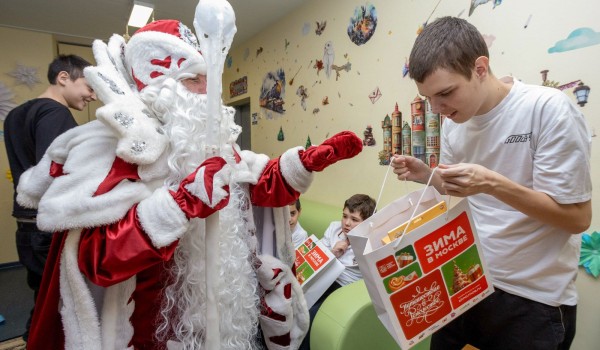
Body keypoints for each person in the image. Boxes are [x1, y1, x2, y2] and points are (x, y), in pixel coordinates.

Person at [16, 19, 362, 350]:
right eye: (196, 79)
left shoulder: (218, 148)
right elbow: (98, 259)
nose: (210, 93)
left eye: (211, 79)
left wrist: (302, 163)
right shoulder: (113, 153)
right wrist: (180, 204)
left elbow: (255, 186)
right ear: (162, 86)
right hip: (150, 330)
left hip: (227, 320)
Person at [391, 16, 592, 350]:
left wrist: (492, 183)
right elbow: (466, 187)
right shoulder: (455, 124)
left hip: (532, 301)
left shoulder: (546, 109)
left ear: (481, 68)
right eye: (428, 99)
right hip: (467, 279)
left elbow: (576, 218)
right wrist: (429, 176)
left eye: (445, 93)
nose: (438, 110)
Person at [3, 54, 96, 342]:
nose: (92, 96)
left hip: (26, 222)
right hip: (47, 225)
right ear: (63, 78)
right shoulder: (55, 113)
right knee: (61, 302)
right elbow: (55, 170)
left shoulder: (16, 115)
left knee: (42, 297)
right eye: (88, 87)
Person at [299, 193, 376, 350]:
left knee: (311, 316)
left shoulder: (370, 243)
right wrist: (332, 253)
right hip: (324, 276)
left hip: (343, 286)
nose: (346, 223)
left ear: (367, 223)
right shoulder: (334, 228)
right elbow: (316, 258)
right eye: (345, 216)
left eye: (354, 220)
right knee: (292, 304)